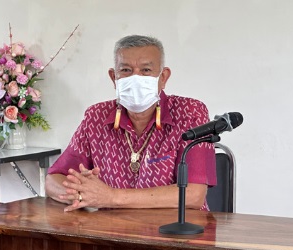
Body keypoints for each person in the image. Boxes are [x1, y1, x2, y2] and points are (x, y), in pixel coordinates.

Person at [45, 35, 216, 212]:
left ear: (163, 77)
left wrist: (111, 197)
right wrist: (81, 195)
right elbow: (53, 179)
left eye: (146, 70)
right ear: (114, 77)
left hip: (176, 233)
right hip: (114, 233)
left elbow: (194, 195)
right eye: (126, 70)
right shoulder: (96, 117)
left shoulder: (189, 113)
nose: (136, 78)